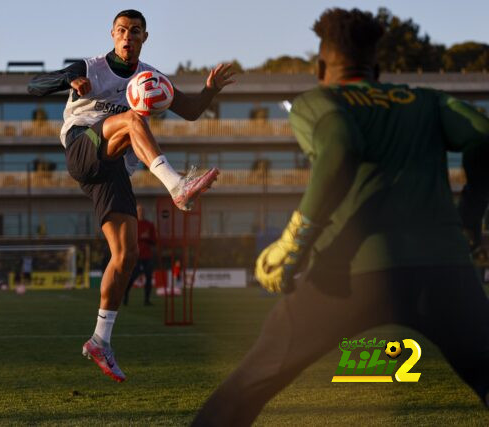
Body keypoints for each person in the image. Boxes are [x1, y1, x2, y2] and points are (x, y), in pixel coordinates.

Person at [193, 8, 489, 425]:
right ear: (379, 69)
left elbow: (341, 147)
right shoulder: (426, 99)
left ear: (320, 67)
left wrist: (295, 238)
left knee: (244, 390)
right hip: (445, 272)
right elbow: (483, 135)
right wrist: (471, 214)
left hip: (347, 276)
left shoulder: (318, 100)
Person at [28, 9, 235, 383]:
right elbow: (34, 86)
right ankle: (176, 185)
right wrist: (68, 77)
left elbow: (189, 111)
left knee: (126, 256)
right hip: (81, 148)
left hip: (113, 170)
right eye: (121, 30)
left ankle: (99, 341)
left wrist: (212, 89)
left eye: (135, 31)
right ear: (112, 34)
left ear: (144, 37)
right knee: (133, 119)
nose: (127, 36)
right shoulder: (90, 67)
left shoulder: (149, 78)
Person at [123, 204, 157, 306]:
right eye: (138, 210)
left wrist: (147, 238)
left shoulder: (149, 225)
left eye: (142, 210)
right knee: (132, 276)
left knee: (149, 277)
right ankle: (125, 295)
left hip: (147, 256)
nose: (140, 212)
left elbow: (154, 240)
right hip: (135, 256)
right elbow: (128, 239)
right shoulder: (132, 224)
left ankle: (147, 300)